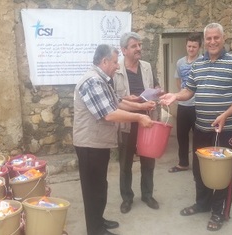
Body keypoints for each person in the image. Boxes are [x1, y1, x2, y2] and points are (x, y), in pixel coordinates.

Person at [160, 22, 232, 231]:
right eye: (209, 38)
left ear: (223, 38)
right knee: (201, 168)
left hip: (226, 130)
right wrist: (175, 95)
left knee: (223, 173)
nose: (212, 42)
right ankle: (202, 203)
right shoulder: (198, 65)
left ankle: (220, 212)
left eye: (216, 38)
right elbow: (189, 91)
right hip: (201, 127)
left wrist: (226, 114)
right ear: (205, 41)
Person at [73, 44, 156, 235]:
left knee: (100, 185)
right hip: (89, 145)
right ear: (103, 61)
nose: (117, 66)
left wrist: (140, 106)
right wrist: (140, 117)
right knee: (93, 188)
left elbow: (117, 102)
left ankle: (98, 221)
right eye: (114, 62)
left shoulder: (103, 80)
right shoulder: (93, 81)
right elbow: (109, 114)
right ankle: (94, 230)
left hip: (98, 143)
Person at [113, 32, 161, 214]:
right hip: (126, 123)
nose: (139, 49)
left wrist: (157, 93)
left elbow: (156, 88)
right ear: (124, 50)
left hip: (147, 121)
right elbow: (113, 98)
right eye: (134, 46)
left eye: (139, 45)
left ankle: (147, 195)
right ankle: (127, 198)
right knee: (125, 164)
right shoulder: (116, 71)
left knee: (148, 161)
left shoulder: (147, 67)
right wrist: (128, 100)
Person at [168, 32, 202, 173]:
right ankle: (183, 163)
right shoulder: (180, 62)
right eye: (189, 46)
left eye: (194, 46)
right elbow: (178, 80)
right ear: (186, 46)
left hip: (197, 106)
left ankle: (199, 165)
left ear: (199, 47)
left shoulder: (203, 61)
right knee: (181, 135)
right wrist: (182, 95)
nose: (191, 49)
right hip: (183, 105)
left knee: (198, 137)